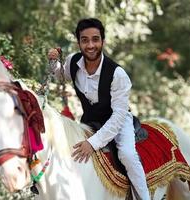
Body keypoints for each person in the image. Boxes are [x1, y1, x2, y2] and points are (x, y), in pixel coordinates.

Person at [48, 18, 150, 200]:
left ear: (103, 41)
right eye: (85, 40)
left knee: (127, 154)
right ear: (78, 42)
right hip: (90, 121)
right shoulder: (73, 62)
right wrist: (53, 61)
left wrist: (93, 143)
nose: (90, 45)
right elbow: (61, 75)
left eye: (95, 39)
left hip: (117, 122)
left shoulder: (118, 74)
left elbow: (119, 115)